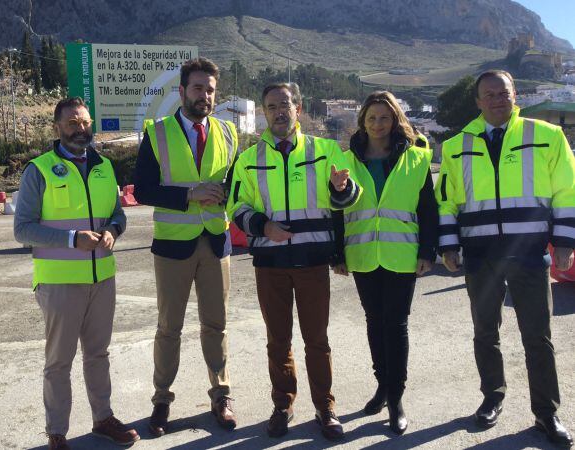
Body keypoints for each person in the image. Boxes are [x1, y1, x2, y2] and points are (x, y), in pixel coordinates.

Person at [437, 70, 574, 448]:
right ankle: (492, 397)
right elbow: (446, 203)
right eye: (489, 94)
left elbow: (566, 192)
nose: (497, 99)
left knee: (538, 336)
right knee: (485, 332)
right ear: (478, 101)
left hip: (529, 253)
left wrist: (563, 241)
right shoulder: (455, 146)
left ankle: (546, 412)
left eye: (504, 92)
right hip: (481, 256)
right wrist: (449, 247)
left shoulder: (546, 136)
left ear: (516, 96)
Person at [227, 82, 360, 440]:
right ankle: (283, 404)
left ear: (298, 109)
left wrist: (339, 188)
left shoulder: (326, 149)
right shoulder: (248, 159)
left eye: (285, 104)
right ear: (264, 113)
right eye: (271, 107)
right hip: (270, 264)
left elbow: (351, 196)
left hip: (313, 262)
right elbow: (235, 207)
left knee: (316, 339)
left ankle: (325, 406)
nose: (279, 112)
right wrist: (262, 225)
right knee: (277, 340)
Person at [14, 97, 139, 450]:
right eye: (72, 122)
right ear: (57, 128)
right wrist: (72, 239)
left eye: (84, 122)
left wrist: (115, 229)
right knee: (59, 362)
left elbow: (118, 213)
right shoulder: (38, 170)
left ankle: (103, 419)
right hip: (59, 282)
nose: (80, 128)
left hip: (102, 280)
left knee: (98, 355)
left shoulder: (104, 167)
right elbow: (23, 229)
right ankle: (57, 432)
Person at [133, 57, 239, 436]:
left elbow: (237, 185)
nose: (204, 95)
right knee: (169, 328)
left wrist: (228, 197)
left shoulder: (228, 133)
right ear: (181, 91)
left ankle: (221, 394)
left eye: (210, 90)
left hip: (215, 243)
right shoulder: (158, 132)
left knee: (217, 324)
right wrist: (190, 194)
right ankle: (162, 399)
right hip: (173, 246)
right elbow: (142, 189)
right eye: (197, 88)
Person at [332, 91, 438, 434]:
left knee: (396, 325)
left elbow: (428, 210)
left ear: (396, 121)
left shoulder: (418, 159)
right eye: (372, 118)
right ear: (362, 121)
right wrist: (338, 253)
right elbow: (336, 209)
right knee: (374, 322)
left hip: (402, 255)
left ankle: (396, 399)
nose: (378, 124)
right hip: (363, 254)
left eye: (385, 118)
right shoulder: (346, 159)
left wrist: (428, 251)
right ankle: (382, 384)